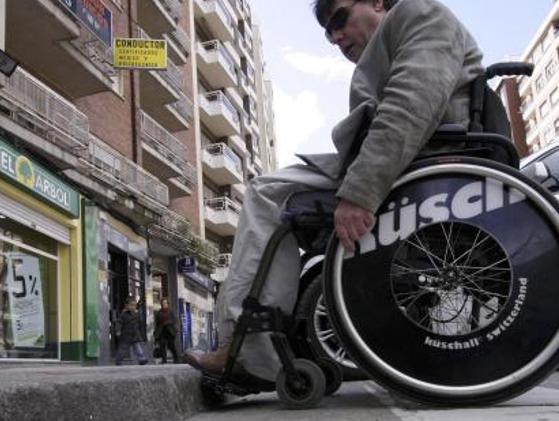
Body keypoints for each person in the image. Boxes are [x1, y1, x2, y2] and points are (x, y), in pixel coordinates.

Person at [184, 0, 484, 380]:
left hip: (422, 164)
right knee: (270, 188)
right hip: (414, 160)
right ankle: (257, 344)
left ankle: (249, 354)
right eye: (328, 32)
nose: (335, 37)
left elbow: (411, 105)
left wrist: (359, 192)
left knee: (266, 193)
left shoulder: (416, 13)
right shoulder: (395, 39)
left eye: (340, 19)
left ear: (377, 2)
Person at [115, 296, 148, 366]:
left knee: (138, 348)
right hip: (126, 335)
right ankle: (118, 360)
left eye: (134, 305)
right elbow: (119, 323)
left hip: (135, 334)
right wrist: (118, 330)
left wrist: (141, 333)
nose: (133, 307)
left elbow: (139, 324)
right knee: (123, 349)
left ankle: (141, 359)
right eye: (131, 305)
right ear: (127, 306)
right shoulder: (123, 315)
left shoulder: (136, 314)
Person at [153, 298, 180, 364]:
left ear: (168, 304)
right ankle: (164, 359)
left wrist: (175, 329)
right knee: (162, 345)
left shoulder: (171, 312)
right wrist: (155, 332)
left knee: (171, 345)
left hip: (170, 331)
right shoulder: (159, 312)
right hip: (162, 331)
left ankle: (176, 358)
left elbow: (175, 321)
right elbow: (157, 323)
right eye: (162, 303)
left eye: (165, 303)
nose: (164, 304)